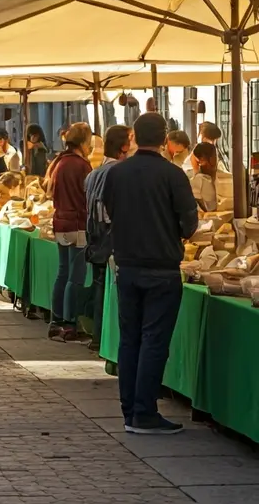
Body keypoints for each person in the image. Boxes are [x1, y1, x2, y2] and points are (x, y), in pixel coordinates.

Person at [102, 112, 198, 435]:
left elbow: (109, 210)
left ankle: (130, 409)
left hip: (126, 266)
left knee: (129, 340)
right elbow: (190, 222)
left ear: (134, 139)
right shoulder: (173, 175)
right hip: (161, 268)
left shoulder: (116, 174)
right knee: (154, 340)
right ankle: (144, 412)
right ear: (164, 139)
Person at [85, 124, 133, 351]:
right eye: (131, 141)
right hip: (111, 240)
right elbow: (110, 211)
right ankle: (106, 340)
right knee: (109, 292)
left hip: (95, 239)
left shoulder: (93, 173)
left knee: (99, 289)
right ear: (124, 146)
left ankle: (98, 337)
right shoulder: (119, 173)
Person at [47, 122, 93, 342]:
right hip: (77, 224)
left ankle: (55, 321)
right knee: (76, 276)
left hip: (60, 222)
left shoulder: (59, 162)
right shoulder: (82, 165)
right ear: (83, 141)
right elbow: (88, 198)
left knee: (62, 272)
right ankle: (69, 324)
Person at [189, 142, 232, 212]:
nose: (216, 158)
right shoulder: (198, 180)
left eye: (216, 155)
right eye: (213, 156)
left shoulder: (224, 175)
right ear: (201, 159)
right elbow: (198, 205)